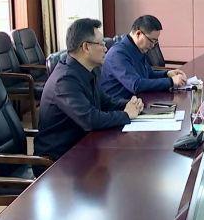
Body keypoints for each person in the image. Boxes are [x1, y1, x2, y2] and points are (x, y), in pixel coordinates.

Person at [35, 18, 143, 163]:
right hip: (58, 159)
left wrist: (130, 104)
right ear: (86, 47)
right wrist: (126, 115)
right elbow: (90, 119)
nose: (106, 48)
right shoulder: (65, 80)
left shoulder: (89, 70)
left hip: (82, 146)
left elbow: (105, 102)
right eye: (101, 43)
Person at [100, 15, 187, 100]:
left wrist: (167, 74)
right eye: (151, 41)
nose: (153, 46)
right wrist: (171, 81)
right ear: (138, 34)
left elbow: (148, 74)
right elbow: (136, 85)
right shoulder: (118, 54)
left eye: (155, 42)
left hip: (138, 100)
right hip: (120, 105)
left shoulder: (138, 48)